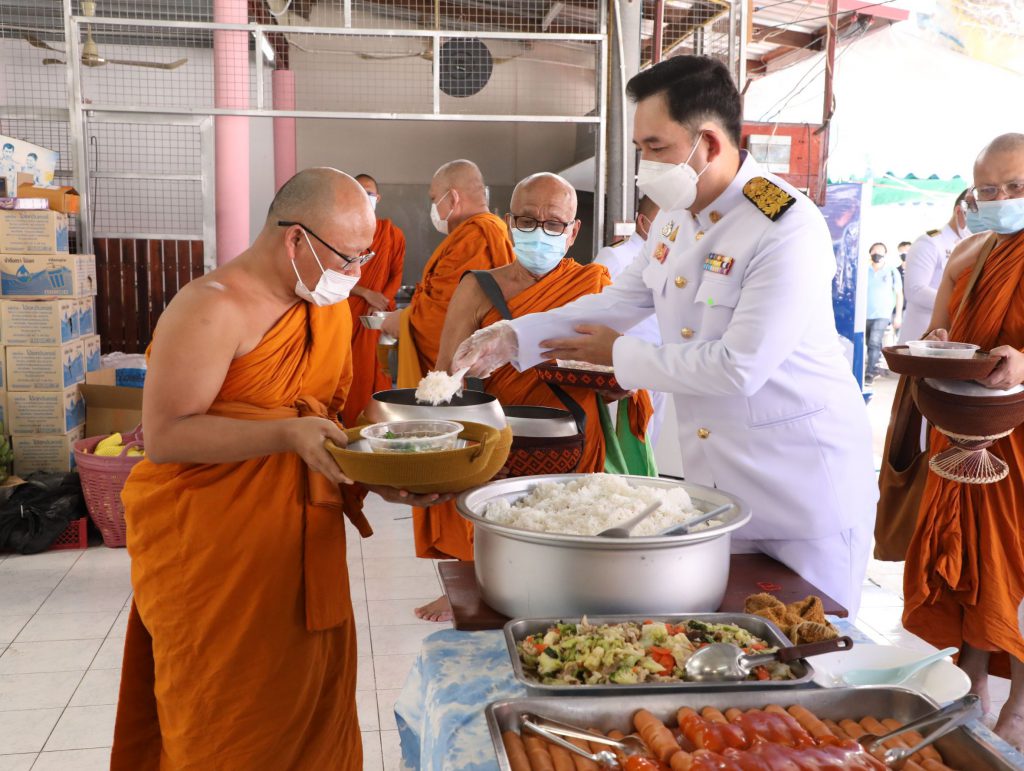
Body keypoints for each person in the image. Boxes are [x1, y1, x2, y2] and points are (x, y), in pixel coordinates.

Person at [453, 55, 876, 616]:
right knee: (733, 640)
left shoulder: (785, 224)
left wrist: (619, 355)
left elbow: (739, 366)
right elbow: (619, 301)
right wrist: (512, 335)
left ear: (709, 143)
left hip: (802, 491)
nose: (644, 166)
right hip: (721, 490)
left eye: (656, 148)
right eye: (640, 149)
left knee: (812, 643)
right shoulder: (677, 220)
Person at [110, 168, 446, 770]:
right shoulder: (212, 306)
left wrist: (389, 476)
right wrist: (284, 434)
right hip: (215, 551)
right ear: (295, 239)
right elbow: (165, 436)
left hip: (303, 544)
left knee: (311, 706)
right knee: (227, 722)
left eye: (364, 257)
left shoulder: (327, 310)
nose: (356, 273)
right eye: (348, 257)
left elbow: (332, 424)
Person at [411, 173, 654, 622]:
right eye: (527, 221)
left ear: (573, 232)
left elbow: (614, 378)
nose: (539, 232)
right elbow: (447, 373)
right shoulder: (478, 286)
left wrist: (614, 379)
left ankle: (571, 606)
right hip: (501, 434)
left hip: (576, 435)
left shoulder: (594, 284)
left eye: (553, 224)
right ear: (509, 222)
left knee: (572, 533)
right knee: (497, 529)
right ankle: (477, 585)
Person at [902, 133, 1024, 748]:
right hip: (965, 432)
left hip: (1020, 445)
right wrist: (940, 340)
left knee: (1017, 569)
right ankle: (972, 682)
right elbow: (938, 332)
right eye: (988, 190)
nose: (1000, 200)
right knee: (968, 559)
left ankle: (1020, 708)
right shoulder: (968, 252)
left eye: (1015, 187)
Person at [379, 159, 514, 386]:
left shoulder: (474, 239)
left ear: (453, 198)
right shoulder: (491, 230)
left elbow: (447, 318)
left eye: (434, 199)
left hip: (467, 376)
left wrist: (404, 320)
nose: (433, 208)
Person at [594, 195, 667, 446]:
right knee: (624, 445)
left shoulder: (668, 259)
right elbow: (593, 307)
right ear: (644, 223)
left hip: (660, 364)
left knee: (650, 445)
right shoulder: (615, 256)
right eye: (664, 221)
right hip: (624, 370)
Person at [341, 173, 406, 426]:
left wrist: (381, 300)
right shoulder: (340, 233)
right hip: (346, 313)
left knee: (378, 370)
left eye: (369, 193)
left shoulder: (392, 234)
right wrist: (365, 293)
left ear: (378, 198)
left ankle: (378, 424)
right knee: (348, 371)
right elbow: (331, 275)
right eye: (359, 191)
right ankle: (348, 424)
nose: (365, 197)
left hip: (375, 317)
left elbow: (396, 275)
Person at [897, 190, 970, 343]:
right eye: (974, 215)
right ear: (959, 212)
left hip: (955, 335)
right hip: (922, 333)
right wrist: (961, 303)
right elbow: (915, 290)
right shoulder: (930, 242)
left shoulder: (972, 245)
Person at [864, 242, 902, 385]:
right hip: (864, 314)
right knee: (870, 343)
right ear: (870, 253)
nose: (877, 253)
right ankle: (876, 365)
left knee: (874, 342)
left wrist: (898, 315)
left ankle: (870, 373)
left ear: (885, 254)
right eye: (874, 251)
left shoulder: (891, 271)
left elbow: (899, 294)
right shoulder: (864, 270)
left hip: (882, 314)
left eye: (880, 251)